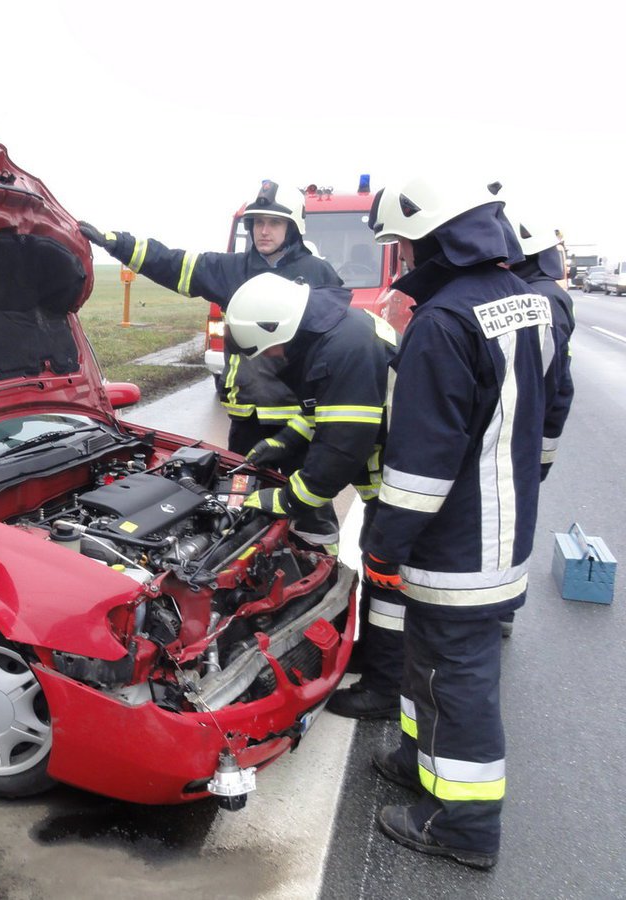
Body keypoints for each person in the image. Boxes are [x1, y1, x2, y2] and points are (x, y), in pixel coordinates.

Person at [360, 177, 567, 870]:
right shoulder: (531, 303)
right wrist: (524, 479)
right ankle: (420, 761)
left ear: (433, 238)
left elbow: (421, 462)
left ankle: (464, 826)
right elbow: (551, 409)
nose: (402, 253)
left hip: (455, 541)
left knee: (457, 677)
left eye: (404, 241)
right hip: (503, 528)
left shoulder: (443, 322)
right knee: (429, 662)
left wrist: (383, 542)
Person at [79, 179, 345, 547]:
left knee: (312, 516)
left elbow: (335, 344)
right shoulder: (232, 270)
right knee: (238, 513)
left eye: (274, 223)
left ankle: (324, 568)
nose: (263, 231)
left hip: (300, 424)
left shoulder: (319, 275)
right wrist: (117, 243)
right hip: (247, 423)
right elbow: (174, 263)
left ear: (293, 227)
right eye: (257, 222)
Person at [220, 274, 395, 542]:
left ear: (275, 328)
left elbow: (343, 446)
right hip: (393, 483)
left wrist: (287, 500)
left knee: (383, 559)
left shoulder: (345, 349)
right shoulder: (335, 331)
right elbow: (327, 408)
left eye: (266, 350)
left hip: (405, 489)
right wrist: (285, 441)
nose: (269, 357)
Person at [498, 210, 577, 636]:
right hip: (527, 436)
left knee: (506, 524)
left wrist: (537, 455)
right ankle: (501, 608)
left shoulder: (540, 299)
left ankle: (500, 610)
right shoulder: (545, 292)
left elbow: (549, 384)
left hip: (518, 437)